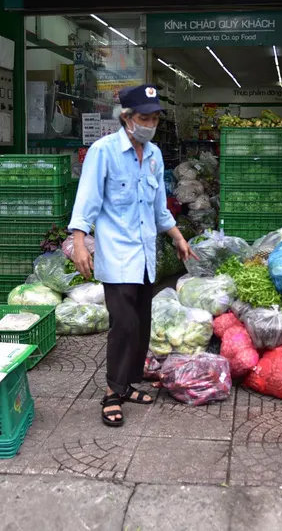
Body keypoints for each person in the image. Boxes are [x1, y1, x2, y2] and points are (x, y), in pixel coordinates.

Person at [68, 84, 196, 427]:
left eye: (154, 118)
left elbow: (158, 208)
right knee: (123, 324)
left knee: (141, 325)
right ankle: (112, 391)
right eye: (144, 118)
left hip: (144, 255)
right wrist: (79, 242)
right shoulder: (103, 151)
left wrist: (178, 237)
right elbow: (87, 200)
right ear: (125, 118)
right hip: (116, 253)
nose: (150, 124)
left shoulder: (154, 155)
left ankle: (128, 384)